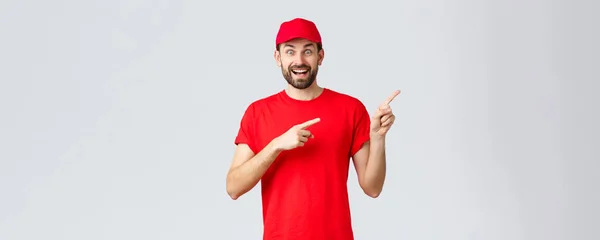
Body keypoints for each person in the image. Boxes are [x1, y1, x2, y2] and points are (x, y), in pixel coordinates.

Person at [225, 17, 400, 240]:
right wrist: (276, 145)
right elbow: (233, 188)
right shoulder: (257, 113)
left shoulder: (351, 109)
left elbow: (372, 188)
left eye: (308, 51)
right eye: (290, 52)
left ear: (320, 56)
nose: (299, 60)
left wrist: (377, 138)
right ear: (278, 58)